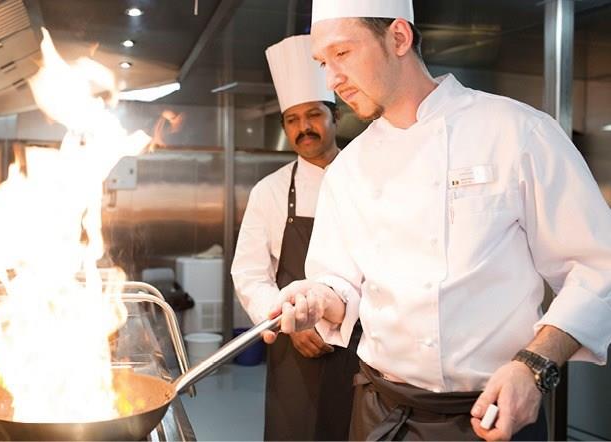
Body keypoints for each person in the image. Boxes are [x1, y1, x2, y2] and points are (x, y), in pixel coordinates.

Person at [262, 1, 611, 440]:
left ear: (398, 37)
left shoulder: (518, 132)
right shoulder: (348, 168)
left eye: (342, 54)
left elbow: (598, 267)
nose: (331, 79)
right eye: (322, 63)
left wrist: (534, 365)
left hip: (492, 412)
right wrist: (316, 297)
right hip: (380, 412)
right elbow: (340, 283)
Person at [231, 34, 362, 441]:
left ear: (335, 116)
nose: (304, 127)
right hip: (294, 347)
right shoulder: (269, 191)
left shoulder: (368, 178)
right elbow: (249, 274)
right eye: (292, 119)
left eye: (313, 115)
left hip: (362, 346)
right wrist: (290, 324)